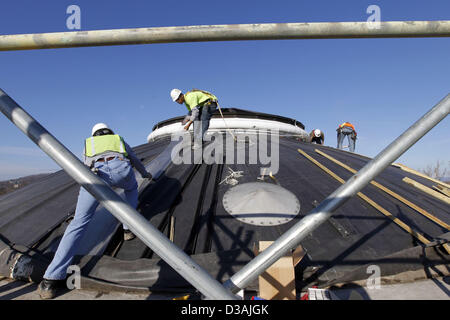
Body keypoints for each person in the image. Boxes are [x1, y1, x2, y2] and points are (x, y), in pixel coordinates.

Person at [37, 123, 152, 299]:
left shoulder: (88, 143)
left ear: (94, 134)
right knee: (131, 189)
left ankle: (50, 280)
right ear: (109, 132)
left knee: (79, 223)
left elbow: (84, 164)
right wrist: (145, 173)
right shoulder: (117, 139)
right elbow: (134, 159)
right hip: (121, 170)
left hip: (95, 175)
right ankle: (128, 228)